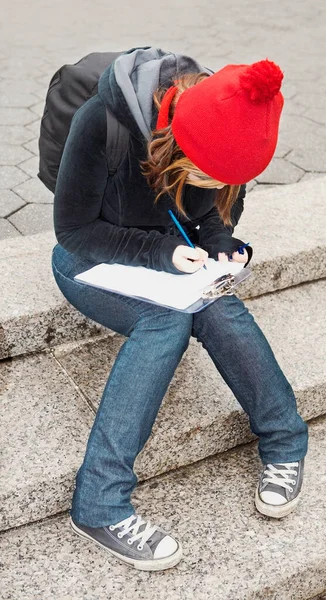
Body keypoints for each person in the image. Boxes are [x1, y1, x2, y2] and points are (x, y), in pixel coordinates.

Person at [51, 46, 308, 572]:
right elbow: (73, 232)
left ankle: (285, 440)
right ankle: (99, 504)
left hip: (174, 259)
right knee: (165, 321)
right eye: (205, 175)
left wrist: (218, 243)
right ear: (175, 140)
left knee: (216, 305)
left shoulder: (229, 124)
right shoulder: (102, 122)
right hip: (92, 260)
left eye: (226, 183)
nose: (217, 188)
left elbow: (213, 215)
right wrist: (160, 254)